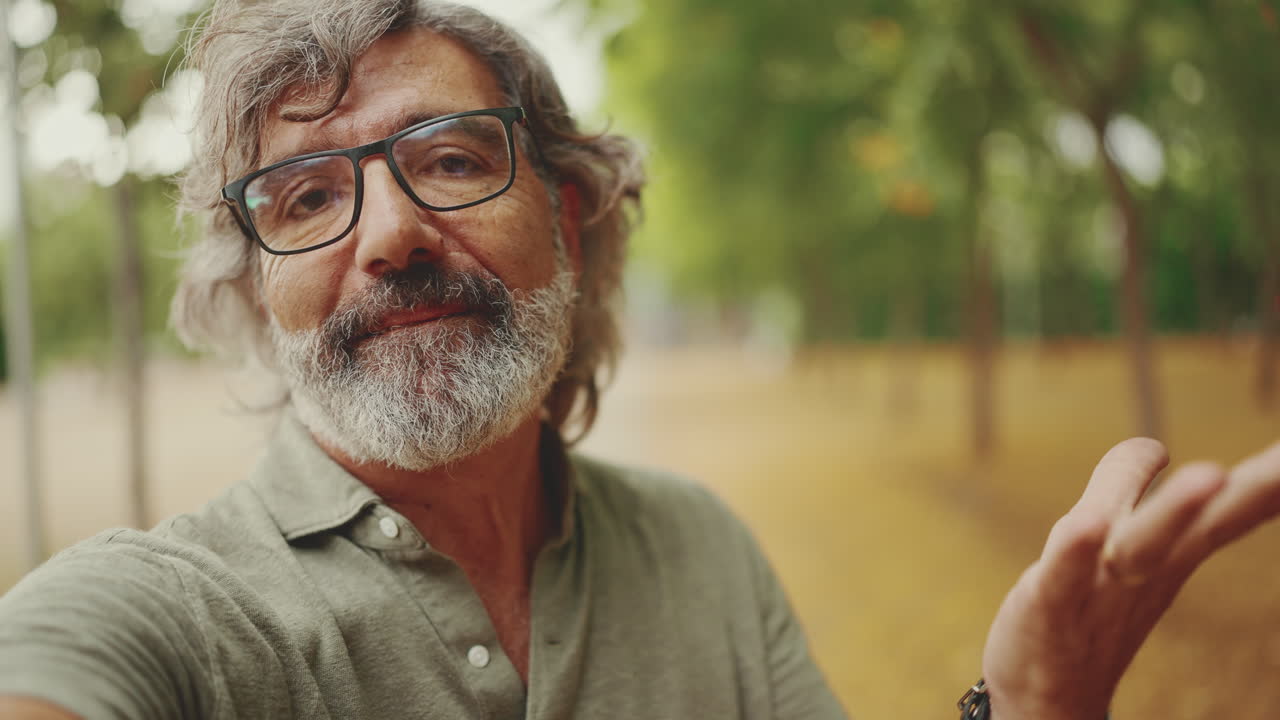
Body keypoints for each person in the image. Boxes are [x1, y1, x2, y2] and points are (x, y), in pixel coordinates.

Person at [0, 1, 1277, 718]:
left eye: (450, 158)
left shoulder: (700, 549)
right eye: (306, 196)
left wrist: (1028, 709)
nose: (387, 234)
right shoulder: (173, 619)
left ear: (565, 217)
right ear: (256, 284)